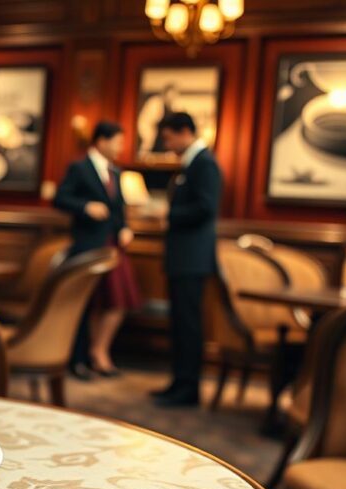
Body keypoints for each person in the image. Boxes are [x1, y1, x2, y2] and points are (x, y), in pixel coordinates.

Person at [53, 121, 142, 379]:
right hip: (88, 245)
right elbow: (60, 198)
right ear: (101, 141)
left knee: (116, 300)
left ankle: (98, 352)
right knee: (85, 302)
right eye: (118, 141)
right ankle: (78, 360)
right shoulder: (79, 167)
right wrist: (85, 207)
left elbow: (118, 208)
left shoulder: (115, 172)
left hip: (112, 247)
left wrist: (124, 227)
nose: (121, 147)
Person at [150, 112, 221, 407]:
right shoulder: (192, 162)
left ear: (184, 132)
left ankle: (188, 389)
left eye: (168, 137)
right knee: (179, 323)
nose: (167, 144)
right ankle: (179, 382)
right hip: (183, 257)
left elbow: (206, 207)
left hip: (193, 258)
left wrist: (167, 215)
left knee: (189, 324)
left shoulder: (205, 163)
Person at [137, 83, 179, 157]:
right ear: (165, 94)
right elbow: (146, 122)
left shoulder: (172, 107)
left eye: (173, 96)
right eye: (170, 95)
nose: (171, 98)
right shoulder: (155, 103)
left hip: (164, 142)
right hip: (153, 139)